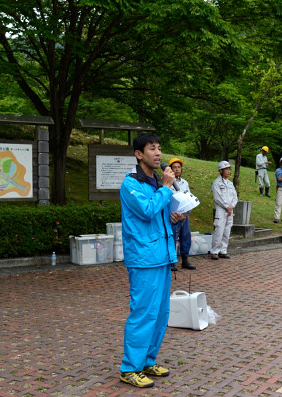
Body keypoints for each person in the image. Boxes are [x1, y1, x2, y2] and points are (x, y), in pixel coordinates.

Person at [119, 133, 176, 388]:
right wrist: (165, 188)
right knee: (143, 313)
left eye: (159, 148)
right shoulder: (130, 184)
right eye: (152, 149)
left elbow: (157, 213)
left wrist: (173, 216)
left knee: (161, 313)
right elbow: (146, 210)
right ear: (138, 154)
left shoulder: (155, 183)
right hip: (143, 258)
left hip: (162, 256)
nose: (158, 153)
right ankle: (130, 368)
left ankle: (147, 361)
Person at [167, 158, 196, 270]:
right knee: (173, 237)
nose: (177, 169)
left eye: (179, 167)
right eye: (175, 167)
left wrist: (187, 213)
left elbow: (188, 197)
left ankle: (185, 260)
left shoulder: (185, 183)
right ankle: (172, 261)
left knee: (185, 237)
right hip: (174, 215)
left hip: (185, 215)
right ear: (171, 169)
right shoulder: (168, 182)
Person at [210, 161, 238, 260]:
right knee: (219, 229)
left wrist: (232, 206)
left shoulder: (230, 184)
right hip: (221, 209)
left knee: (227, 230)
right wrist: (227, 206)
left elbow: (235, 196)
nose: (228, 171)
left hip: (230, 210)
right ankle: (215, 251)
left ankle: (223, 250)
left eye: (229, 169)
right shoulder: (216, 183)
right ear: (220, 170)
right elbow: (218, 197)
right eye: (226, 169)